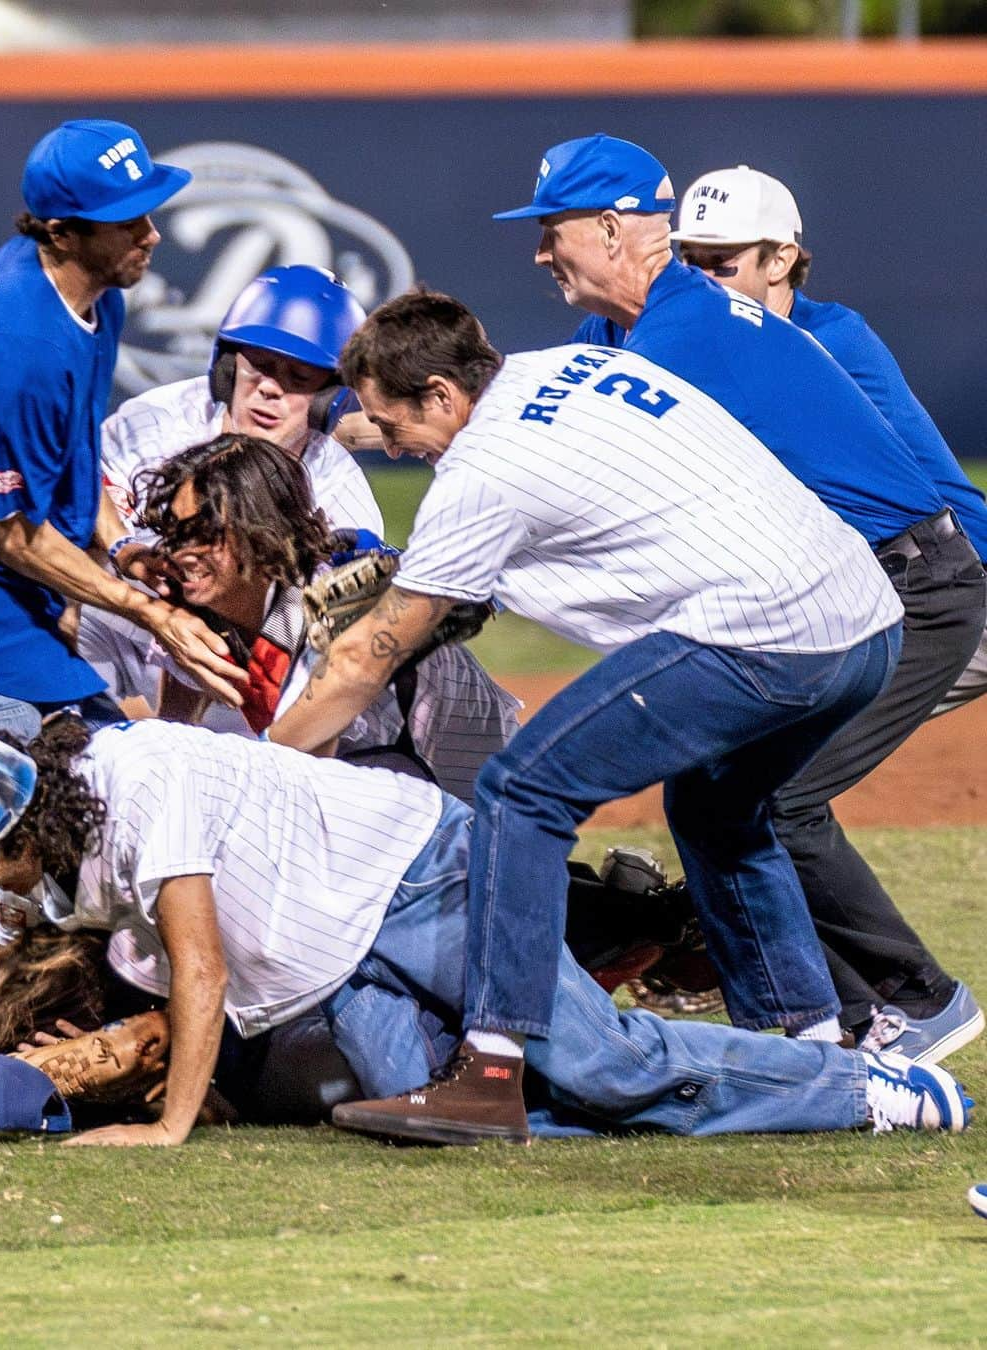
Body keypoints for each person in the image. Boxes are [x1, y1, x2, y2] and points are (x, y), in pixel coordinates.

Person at [262, 287, 911, 1142]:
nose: (391, 447)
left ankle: (490, 1069)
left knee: (520, 793)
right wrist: (339, 429)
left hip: (766, 635)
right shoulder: (572, 365)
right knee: (716, 811)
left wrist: (259, 767)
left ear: (445, 397)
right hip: (863, 623)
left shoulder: (479, 477)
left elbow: (358, 663)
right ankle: (817, 1046)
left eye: (393, 426)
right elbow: (489, 450)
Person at [495, 134, 985, 1061]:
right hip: (846, 587)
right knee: (716, 793)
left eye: (549, 230)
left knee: (776, 796)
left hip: (917, 585)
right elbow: (539, 404)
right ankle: (809, 1019)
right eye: (696, 256)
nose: (537, 250)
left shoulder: (744, 335)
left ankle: (911, 1002)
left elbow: (919, 480)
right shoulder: (637, 329)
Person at [0, 725, 970, 1146]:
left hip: (426, 876)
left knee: (596, 1062)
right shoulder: (43, 845)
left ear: (24, 826)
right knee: (455, 1120)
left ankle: (868, 1093)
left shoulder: (142, 785)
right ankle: (699, 1091)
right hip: (343, 959)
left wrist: (168, 1127)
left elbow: (200, 963)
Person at [0, 119, 246, 1087]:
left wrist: (126, 546)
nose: (150, 234)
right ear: (60, 229)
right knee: (12, 846)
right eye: (123, 221)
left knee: (92, 806)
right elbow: (13, 534)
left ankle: (42, 1039)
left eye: (148, 210)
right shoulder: (10, 338)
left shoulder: (92, 297)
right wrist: (153, 614)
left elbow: (73, 467)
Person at [670, 163, 987, 719]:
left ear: (782, 261)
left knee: (772, 748)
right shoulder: (734, 339)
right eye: (688, 263)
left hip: (963, 584)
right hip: (892, 590)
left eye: (720, 265)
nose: (699, 281)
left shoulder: (828, 341)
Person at [133, 431, 520, 803]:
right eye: (174, 532)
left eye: (204, 533)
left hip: (460, 772)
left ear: (259, 527)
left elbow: (304, 772)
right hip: (375, 767)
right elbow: (174, 734)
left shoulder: (337, 598)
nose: (181, 551)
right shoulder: (200, 615)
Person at [77, 263, 384, 722]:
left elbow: (332, 656)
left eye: (298, 377)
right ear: (227, 365)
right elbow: (75, 500)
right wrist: (125, 555)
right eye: (259, 365)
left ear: (331, 398)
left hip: (239, 666)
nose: (269, 389)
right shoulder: (154, 422)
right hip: (124, 619)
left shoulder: (338, 497)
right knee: (46, 613)